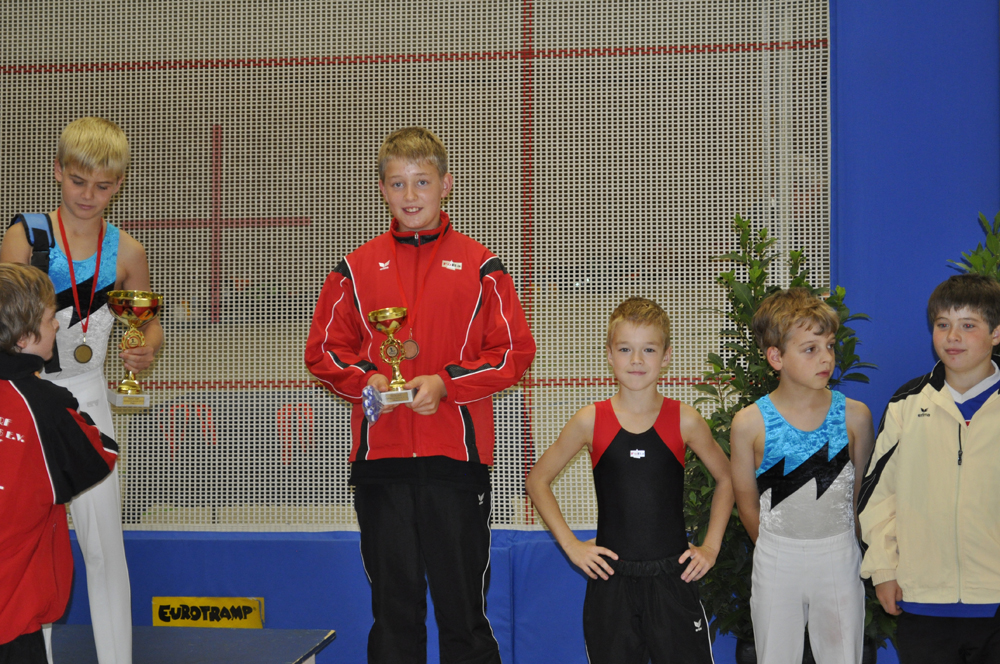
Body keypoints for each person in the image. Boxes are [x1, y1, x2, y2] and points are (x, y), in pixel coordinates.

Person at [304, 126, 536, 664]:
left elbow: (514, 352)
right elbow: (323, 351)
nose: (410, 195)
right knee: (394, 618)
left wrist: (446, 384)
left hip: (456, 462)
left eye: (422, 182)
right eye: (398, 183)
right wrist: (367, 377)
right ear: (382, 190)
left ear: (446, 185)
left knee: (464, 619)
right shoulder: (354, 269)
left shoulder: (482, 267)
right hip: (381, 464)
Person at [0, 117, 163, 664]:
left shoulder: (128, 252)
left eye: (103, 186)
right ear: (57, 172)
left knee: (104, 546)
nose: (89, 195)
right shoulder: (27, 236)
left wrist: (145, 349)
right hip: (25, 401)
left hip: (88, 400)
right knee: (26, 542)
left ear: (120, 185)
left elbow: (149, 323)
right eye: (78, 181)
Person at [526, 297, 733, 664]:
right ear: (610, 355)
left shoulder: (684, 419)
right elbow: (537, 480)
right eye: (625, 349)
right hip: (612, 582)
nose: (636, 360)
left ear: (666, 356)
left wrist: (711, 547)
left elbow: (727, 478)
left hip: (673, 578)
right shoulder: (590, 420)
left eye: (648, 349)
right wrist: (571, 545)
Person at [859, 273, 1000, 663]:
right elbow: (878, 497)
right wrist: (883, 570)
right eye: (942, 325)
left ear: (996, 333)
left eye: (968, 325)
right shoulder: (906, 404)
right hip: (923, 602)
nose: (952, 336)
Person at [729, 287, 875, 664]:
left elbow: (860, 499)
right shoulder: (749, 423)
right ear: (776, 357)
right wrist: (781, 549)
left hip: (839, 554)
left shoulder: (855, 417)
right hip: (777, 558)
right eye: (810, 349)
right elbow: (747, 506)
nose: (826, 357)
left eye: (830, 346)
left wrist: (842, 547)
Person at [0, 263, 119, 664]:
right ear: (24, 337)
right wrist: (74, 406)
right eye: (51, 318)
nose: (57, 327)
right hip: (12, 613)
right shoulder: (45, 406)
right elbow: (98, 456)